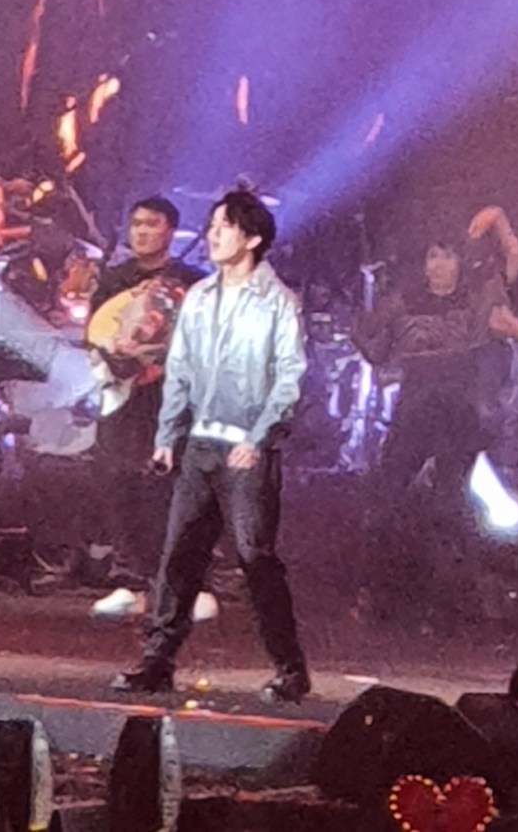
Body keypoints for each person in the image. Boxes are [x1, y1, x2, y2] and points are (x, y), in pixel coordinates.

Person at [112, 187, 310, 702]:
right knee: (179, 556)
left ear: (252, 238)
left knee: (254, 557)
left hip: (247, 451)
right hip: (201, 444)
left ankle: (290, 668)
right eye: (213, 226)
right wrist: (167, 435)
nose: (212, 235)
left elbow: (289, 378)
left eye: (224, 226)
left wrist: (259, 438)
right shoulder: (199, 296)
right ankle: (157, 661)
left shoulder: (278, 302)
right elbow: (179, 369)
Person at [351, 205, 518, 624]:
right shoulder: (404, 301)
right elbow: (366, 335)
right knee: (386, 499)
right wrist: (383, 355)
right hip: (414, 414)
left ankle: (451, 602)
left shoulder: (475, 300)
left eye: (447, 256)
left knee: (450, 506)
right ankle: (382, 593)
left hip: (458, 418)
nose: (440, 265)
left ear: (460, 261)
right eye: (433, 256)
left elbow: (516, 262)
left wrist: (500, 220)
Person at [86, 197, 219, 622]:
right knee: (120, 482)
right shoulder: (114, 281)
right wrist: (117, 360)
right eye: (136, 224)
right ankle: (130, 580)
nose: (142, 231)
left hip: (174, 398)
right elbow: (97, 334)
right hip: (124, 394)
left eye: (152, 224)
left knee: (175, 488)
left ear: (170, 230)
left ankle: (189, 584)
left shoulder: (193, 282)